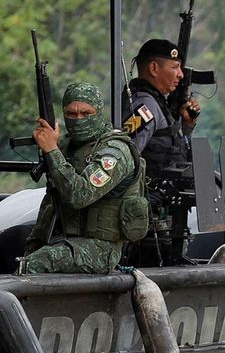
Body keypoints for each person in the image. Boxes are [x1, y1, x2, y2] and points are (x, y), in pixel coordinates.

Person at [21, 82, 145, 274]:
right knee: (8, 248)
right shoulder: (68, 147)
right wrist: (34, 242)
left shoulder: (114, 152)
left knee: (36, 263)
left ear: (99, 112)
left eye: (86, 113)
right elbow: (51, 200)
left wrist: (52, 151)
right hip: (64, 239)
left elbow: (80, 196)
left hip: (101, 249)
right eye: (71, 114)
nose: (79, 119)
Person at [122, 38, 201, 265]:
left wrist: (186, 125)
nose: (181, 75)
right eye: (175, 67)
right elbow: (126, 154)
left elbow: (170, 149)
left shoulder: (158, 105)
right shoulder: (144, 107)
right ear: (154, 68)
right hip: (146, 220)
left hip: (163, 215)